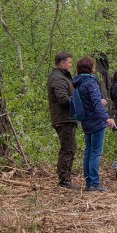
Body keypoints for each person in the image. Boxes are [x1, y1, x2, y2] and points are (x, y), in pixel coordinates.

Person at [72, 56, 116, 191]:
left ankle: (89, 182)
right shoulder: (90, 82)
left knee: (89, 152)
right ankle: (95, 183)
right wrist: (106, 118)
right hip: (96, 121)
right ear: (90, 68)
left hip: (86, 120)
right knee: (95, 153)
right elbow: (96, 103)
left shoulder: (78, 83)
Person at [47, 51, 79, 189]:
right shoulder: (58, 78)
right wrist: (77, 102)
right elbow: (63, 99)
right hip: (63, 118)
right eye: (69, 62)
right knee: (68, 149)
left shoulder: (62, 77)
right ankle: (64, 180)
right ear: (62, 63)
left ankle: (65, 178)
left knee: (70, 148)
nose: (71, 65)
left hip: (67, 118)